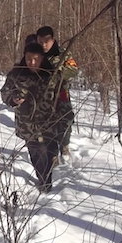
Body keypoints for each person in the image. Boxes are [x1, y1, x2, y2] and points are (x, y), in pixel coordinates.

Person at [0, 42, 61, 192]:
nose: (31, 63)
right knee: (36, 152)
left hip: (50, 122)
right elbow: (5, 92)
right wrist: (13, 99)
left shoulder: (52, 75)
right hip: (27, 123)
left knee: (50, 150)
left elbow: (62, 97)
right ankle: (44, 180)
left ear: (42, 58)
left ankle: (48, 171)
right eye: (28, 59)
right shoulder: (17, 74)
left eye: (36, 59)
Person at [36, 26, 78, 160]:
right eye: (41, 41)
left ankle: (64, 145)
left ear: (53, 40)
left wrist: (58, 73)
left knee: (66, 120)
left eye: (46, 41)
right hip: (42, 96)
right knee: (45, 126)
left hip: (61, 94)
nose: (43, 44)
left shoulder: (63, 54)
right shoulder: (34, 54)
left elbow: (73, 70)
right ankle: (50, 154)